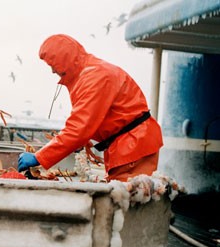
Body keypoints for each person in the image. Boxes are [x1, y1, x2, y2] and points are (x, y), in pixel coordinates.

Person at [18, 34, 163, 182]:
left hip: (133, 145)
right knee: (122, 196)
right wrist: (84, 139)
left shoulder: (95, 77)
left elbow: (78, 128)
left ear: (64, 59)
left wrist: (39, 157)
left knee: (127, 199)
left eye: (52, 65)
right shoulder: (89, 72)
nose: (52, 71)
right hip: (129, 144)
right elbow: (93, 119)